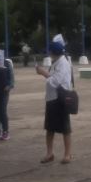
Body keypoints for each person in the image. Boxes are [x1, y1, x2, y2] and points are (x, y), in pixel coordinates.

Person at [35, 35, 73, 164]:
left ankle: (67, 154)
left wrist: (43, 73)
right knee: (50, 128)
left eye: (49, 51)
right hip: (52, 99)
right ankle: (49, 153)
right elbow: (54, 77)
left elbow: (55, 81)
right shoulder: (56, 62)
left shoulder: (62, 63)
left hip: (60, 100)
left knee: (65, 128)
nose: (49, 54)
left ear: (53, 52)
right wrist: (46, 73)